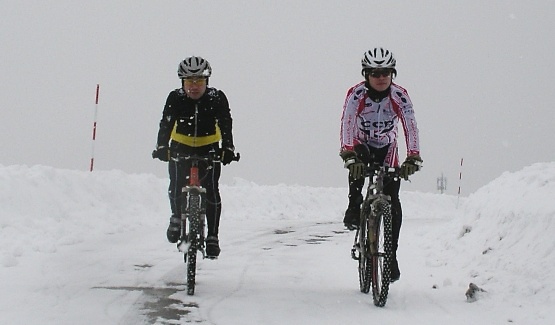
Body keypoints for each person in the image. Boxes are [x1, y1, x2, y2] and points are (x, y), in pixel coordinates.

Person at [339, 47, 422, 282]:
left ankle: (391, 256)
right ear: (366, 74)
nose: (381, 77)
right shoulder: (356, 95)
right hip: (362, 144)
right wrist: (348, 153)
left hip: (388, 148)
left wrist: (413, 156)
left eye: (386, 72)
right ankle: (354, 205)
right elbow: (346, 122)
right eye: (375, 73)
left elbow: (411, 125)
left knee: (393, 200)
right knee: (357, 167)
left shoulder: (399, 95)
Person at [152, 56, 235, 258]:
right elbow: (166, 123)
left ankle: (213, 236)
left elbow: (226, 123)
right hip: (181, 148)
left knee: (212, 192)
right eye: (189, 81)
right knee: (176, 185)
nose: (194, 86)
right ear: (182, 82)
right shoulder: (175, 98)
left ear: (207, 81)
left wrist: (228, 148)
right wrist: (162, 146)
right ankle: (176, 217)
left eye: (199, 81)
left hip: (209, 149)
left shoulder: (217, 98)